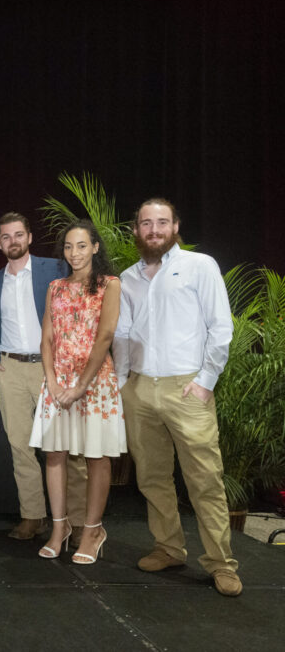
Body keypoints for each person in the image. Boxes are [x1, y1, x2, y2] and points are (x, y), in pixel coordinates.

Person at [113, 199, 241, 597]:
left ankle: (221, 563)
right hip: (138, 387)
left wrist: (205, 381)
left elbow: (220, 328)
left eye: (162, 222)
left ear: (176, 226)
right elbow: (122, 335)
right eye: (146, 223)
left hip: (187, 388)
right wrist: (121, 385)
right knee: (152, 477)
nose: (154, 230)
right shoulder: (127, 277)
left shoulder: (200, 266)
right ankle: (169, 548)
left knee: (204, 479)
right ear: (136, 230)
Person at [0, 212, 89, 543]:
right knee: (20, 446)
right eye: (5, 237)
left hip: (51, 369)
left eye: (18, 235)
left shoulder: (55, 270)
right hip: (9, 369)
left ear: (29, 237)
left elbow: (78, 315)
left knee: (67, 447)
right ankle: (33, 517)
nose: (12, 241)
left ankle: (81, 521)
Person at [30, 219, 126, 564]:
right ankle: (60, 528)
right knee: (54, 454)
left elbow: (105, 336)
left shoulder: (110, 284)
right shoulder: (55, 286)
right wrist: (53, 382)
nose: (75, 253)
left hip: (95, 384)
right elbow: (46, 338)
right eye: (69, 247)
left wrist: (81, 386)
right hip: (58, 383)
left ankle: (92, 531)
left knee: (96, 457)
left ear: (96, 247)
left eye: (82, 245)